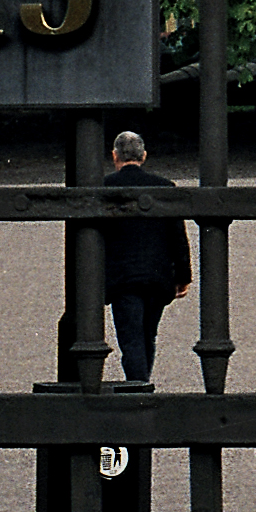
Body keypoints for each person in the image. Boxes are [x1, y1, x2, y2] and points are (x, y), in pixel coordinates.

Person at [98, 129, 194, 388]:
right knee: (147, 335)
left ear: (114, 156)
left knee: (131, 339)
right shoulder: (164, 187)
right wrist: (183, 276)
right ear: (144, 156)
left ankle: (138, 388)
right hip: (157, 276)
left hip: (123, 278)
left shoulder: (104, 187)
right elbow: (178, 236)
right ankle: (142, 383)